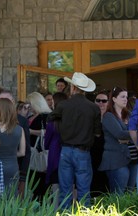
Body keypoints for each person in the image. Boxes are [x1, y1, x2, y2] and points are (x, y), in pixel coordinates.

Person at [50, 72, 101, 208]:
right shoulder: (94, 108)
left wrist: (63, 124)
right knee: (84, 191)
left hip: (65, 150)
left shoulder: (63, 105)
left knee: (65, 190)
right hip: (83, 151)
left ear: (72, 87)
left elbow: (50, 118)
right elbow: (97, 134)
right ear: (85, 89)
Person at [98, 87, 134, 194]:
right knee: (118, 195)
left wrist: (128, 138)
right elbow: (119, 134)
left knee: (131, 193)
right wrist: (134, 134)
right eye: (122, 97)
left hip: (133, 159)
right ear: (113, 99)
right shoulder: (108, 116)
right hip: (116, 161)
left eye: (126, 97)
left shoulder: (129, 114)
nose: (125, 99)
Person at [0, 98, 25, 191]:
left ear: (1, 111)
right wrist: (10, 155)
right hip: (13, 167)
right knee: (11, 196)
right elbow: (22, 153)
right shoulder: (20, 129)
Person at [0, 90, 31, 197]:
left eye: (6, 101)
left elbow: (25, 150)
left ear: (12, 102)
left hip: (15, 168)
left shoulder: (21, 121)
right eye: (0, 101)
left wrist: (23, 176)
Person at [44, 92, 68, 208]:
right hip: (69, 154)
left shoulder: (52, 121)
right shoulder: (70, 120)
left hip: (55, 155)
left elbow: (46, 143)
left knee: (56, 188)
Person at [26, 91, 52, 199]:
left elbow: (48, 132)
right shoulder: (31, 116)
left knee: (40, 182)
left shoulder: (46, 116)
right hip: (31, 151)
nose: (28, 106)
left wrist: (31, 131)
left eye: (30, 103)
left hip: (41, 151)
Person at [90, 91, 109, 196]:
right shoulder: (89, 117)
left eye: (104, 101)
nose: (101, 103)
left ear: (108, 102)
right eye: (98, 100)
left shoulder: (111, 117)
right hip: (92, 153)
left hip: (107, 153)